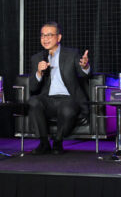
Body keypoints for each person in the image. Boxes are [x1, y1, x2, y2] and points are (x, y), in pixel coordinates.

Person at [28, 21, 91, 155]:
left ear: (59, 37)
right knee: (33, 101)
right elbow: (33, 88)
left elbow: (83, 75)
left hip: (69, 99)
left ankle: (58, 141)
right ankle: (44, 142)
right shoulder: (37, 58)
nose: (45, 39)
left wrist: (85, 66)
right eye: (43, 35)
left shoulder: (72, 54)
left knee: (67, 108)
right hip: (48, 100)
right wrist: (39, 72)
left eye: (49, 35)